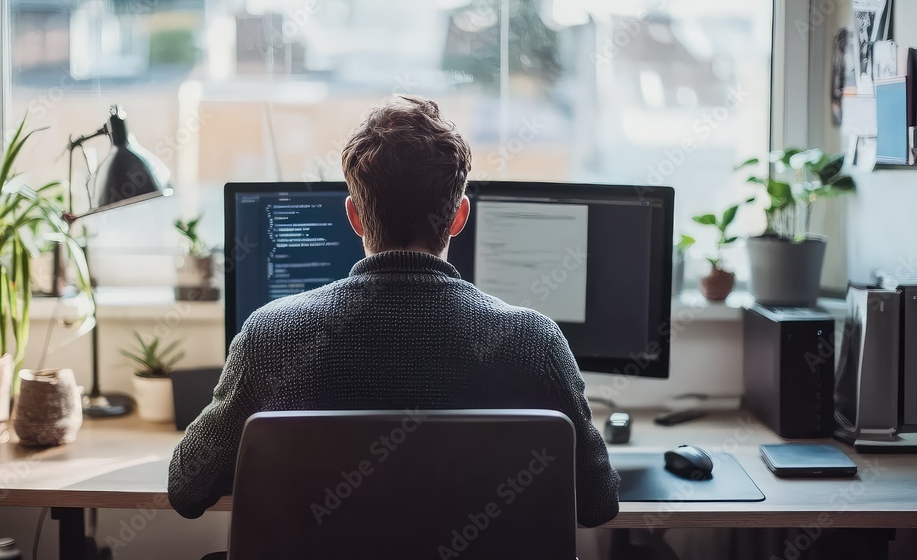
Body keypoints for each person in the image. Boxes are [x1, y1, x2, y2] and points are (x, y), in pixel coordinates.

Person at [168, 95, 620, 527]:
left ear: (354, 216)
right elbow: (598, 503)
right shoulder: (534, 341)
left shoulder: (270, 335)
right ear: (459, 216)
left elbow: (187, 488)